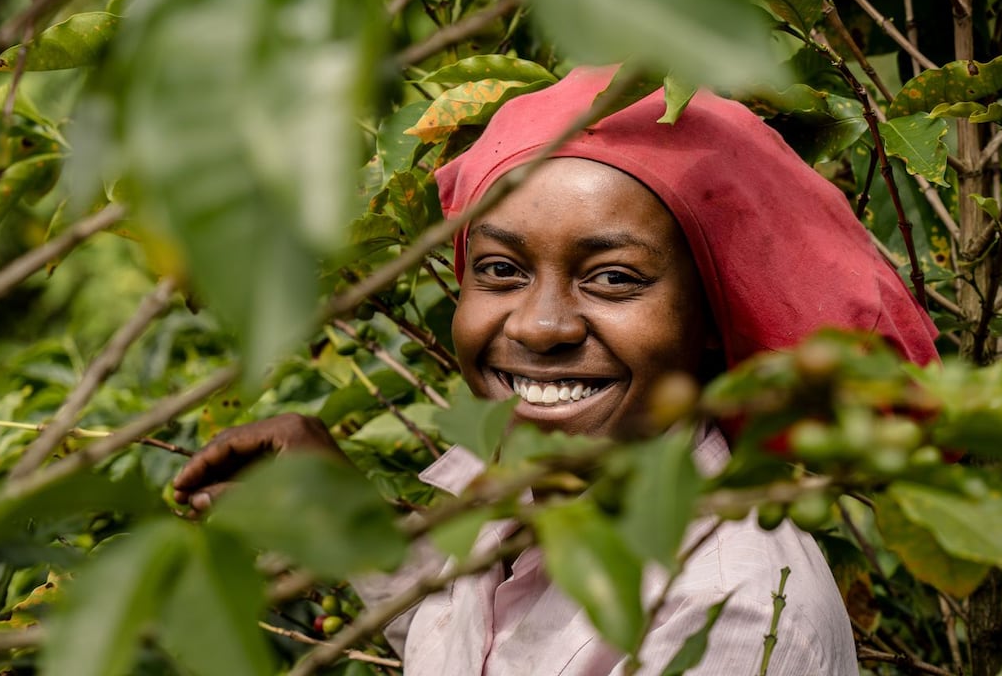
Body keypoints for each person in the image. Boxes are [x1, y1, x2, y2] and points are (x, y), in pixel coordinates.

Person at [173, 66, 940, 674]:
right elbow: (475, 640)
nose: (541, 326)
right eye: (501, 269)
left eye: (612, 279)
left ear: (711, 322)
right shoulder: (516, 495)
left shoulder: (724, 607)